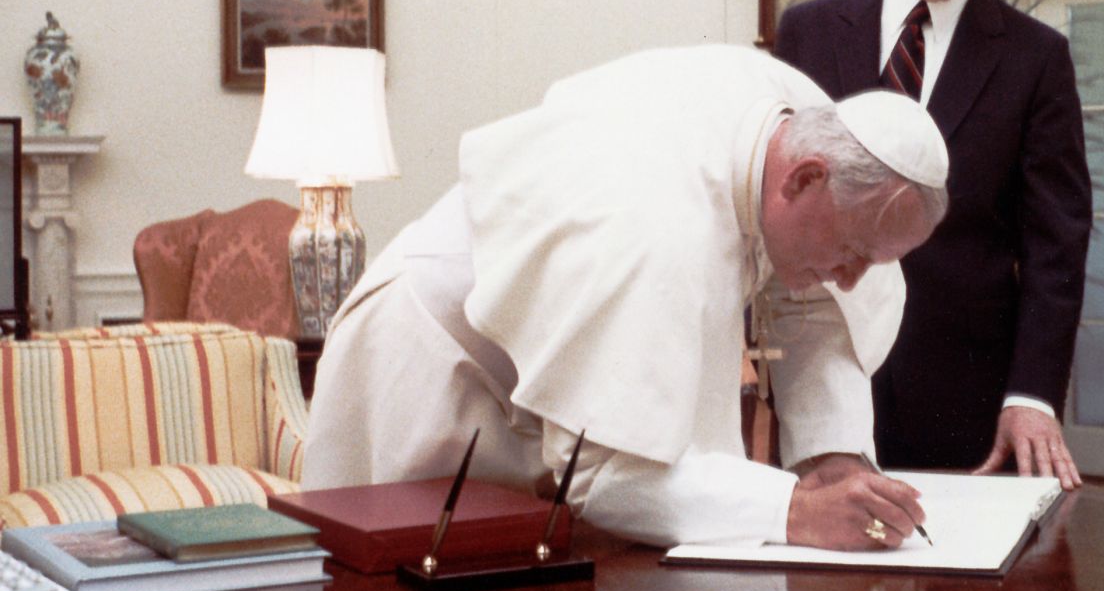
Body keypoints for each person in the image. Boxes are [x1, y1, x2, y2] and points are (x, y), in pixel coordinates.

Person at [302, 44, 950, 551]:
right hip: (427, 370)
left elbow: (812, 306)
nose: (851, 279)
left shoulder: (800, 121)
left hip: (519, 376)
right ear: (804, 178)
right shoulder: (655, 221)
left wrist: (831, 457)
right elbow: (605, 473)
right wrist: (795, 510)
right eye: (850, 254)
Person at [775, 0, 1092, 488]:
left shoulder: (1036, 59)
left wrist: (1031, 395)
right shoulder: (807, 34)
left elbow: (1055, 242)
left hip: (967, 399)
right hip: (823, 374)